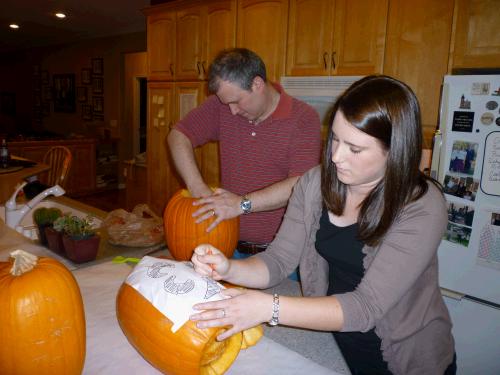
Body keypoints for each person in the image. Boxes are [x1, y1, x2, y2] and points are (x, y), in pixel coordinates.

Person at [189, 75, 456, 375]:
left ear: (394, 150)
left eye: (354, 149)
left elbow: (366, 306)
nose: (336, 157)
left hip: (407, 357)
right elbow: (278, 260)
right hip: (334, 341)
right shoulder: (315, 183)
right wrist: (228, 268)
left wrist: (268, 307)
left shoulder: (421, 205)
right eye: (335, 140)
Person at [168, 48, 321, 259]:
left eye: (236, 101)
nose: (231, 111)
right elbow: (178, 136)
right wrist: (196, 187)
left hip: (283, 253)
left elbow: (301, 183)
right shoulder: (222, 106)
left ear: (257, 84)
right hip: (228, 245)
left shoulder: (303, 118)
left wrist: (241, 204)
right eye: (226, 103)